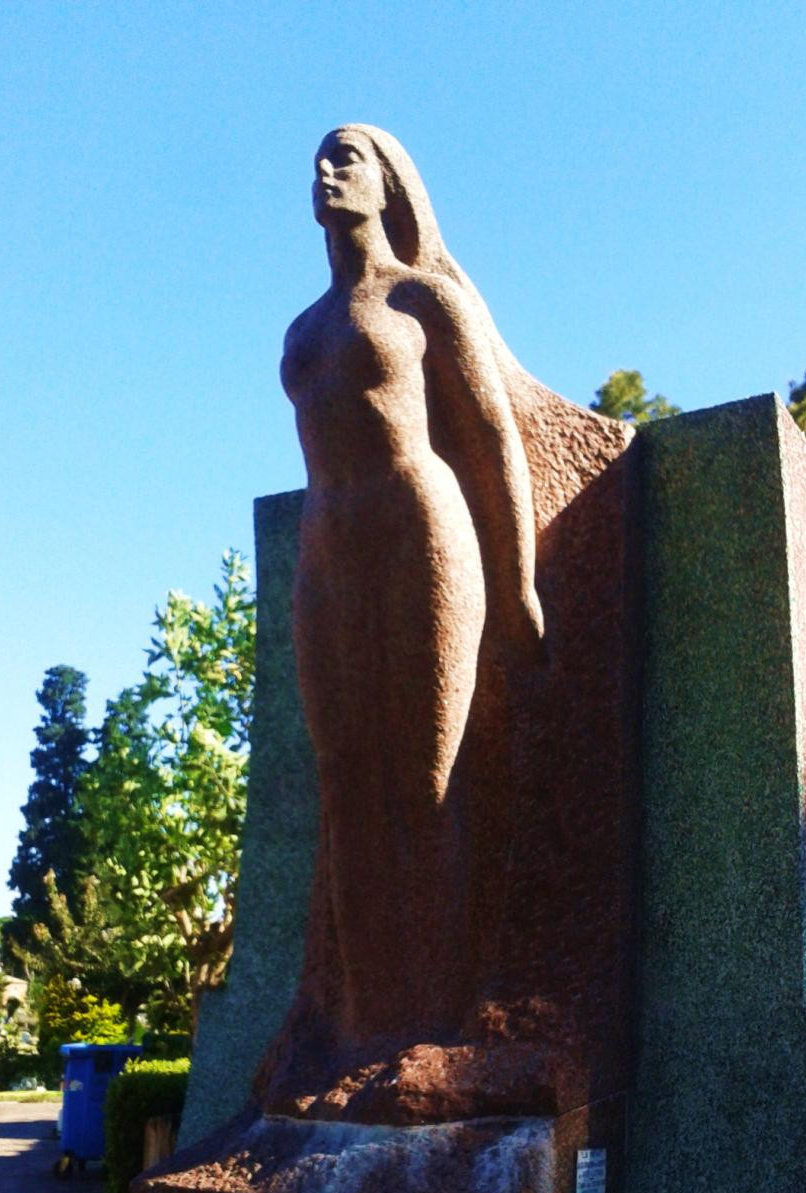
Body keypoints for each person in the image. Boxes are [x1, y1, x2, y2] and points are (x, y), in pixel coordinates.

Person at [255, 126, 630, 1122]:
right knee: (349, 787)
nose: (327, 173)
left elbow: (494, 439)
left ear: (390, 186)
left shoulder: (426, 301)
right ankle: (358, 1031)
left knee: (425, 777)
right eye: (317, 163)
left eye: (349, 158)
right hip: (332, 553)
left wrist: (516, 585)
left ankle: (435, 1028)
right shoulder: (301, 329)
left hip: (422, 528)